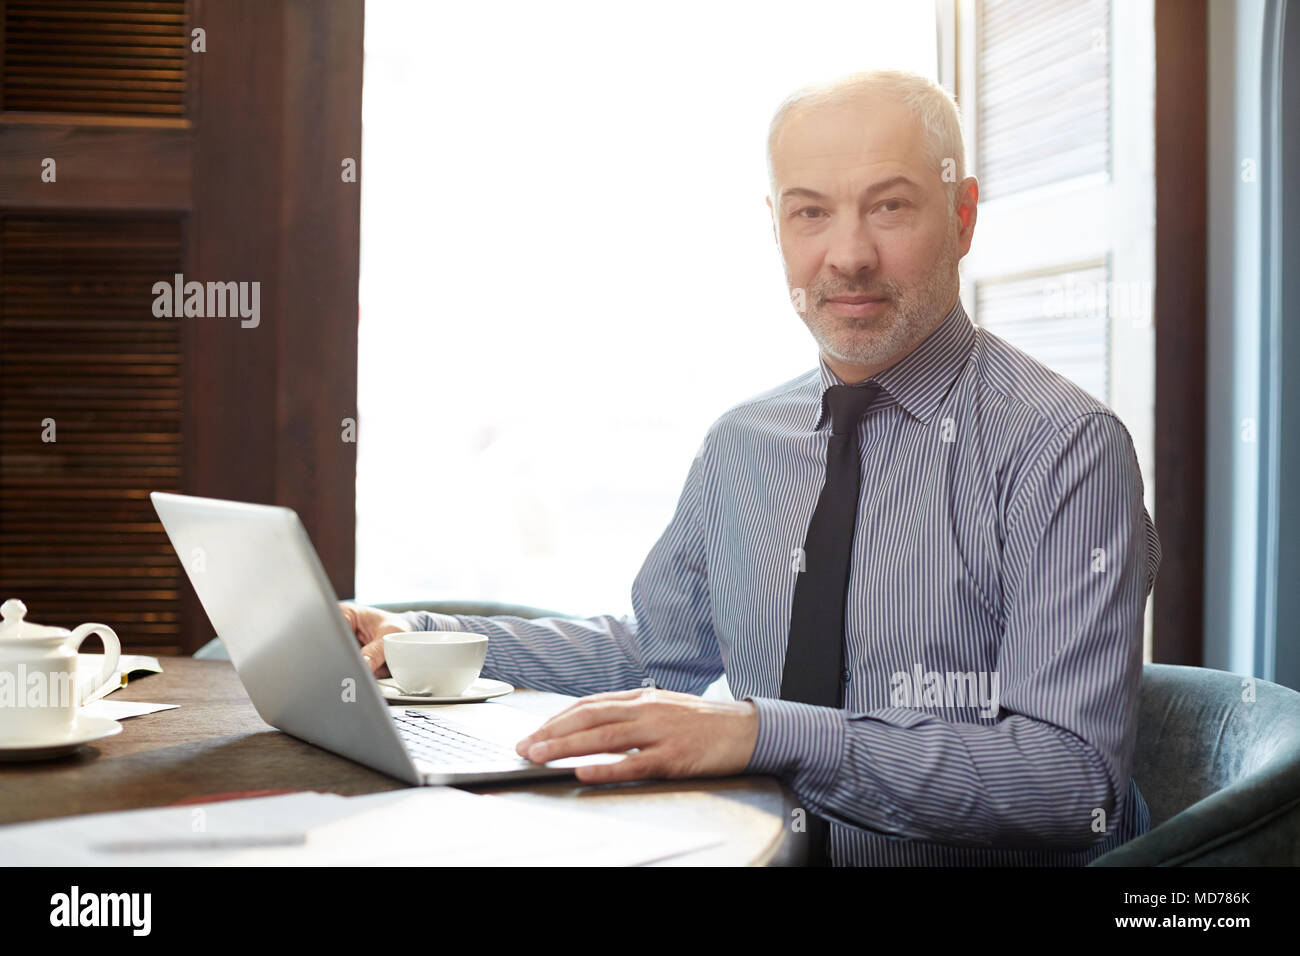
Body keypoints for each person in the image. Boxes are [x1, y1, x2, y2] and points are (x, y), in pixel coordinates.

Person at [342, 69, 1161, 866]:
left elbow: (1070, 781)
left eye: (890, 206)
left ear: (963, 214)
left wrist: (762, 733)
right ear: (777, 228)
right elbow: (653, 653)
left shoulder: (1065, 447)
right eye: (811, 213)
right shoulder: (743, 440)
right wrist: (422, 640)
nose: (848, 256)